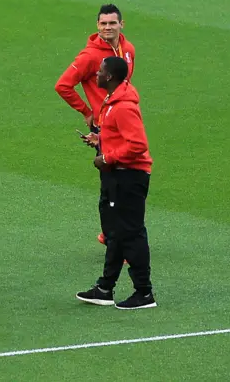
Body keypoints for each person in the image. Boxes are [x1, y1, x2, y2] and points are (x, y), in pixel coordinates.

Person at [75, 57, 156, 310]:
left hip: (128, 177)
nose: (96, 75)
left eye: (99, 72)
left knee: (131, 233)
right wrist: (100, 140)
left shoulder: (122, 106)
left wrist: (107, 156)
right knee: (114, 233)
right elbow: (119, 136)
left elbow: (138, 145)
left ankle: (144, 293)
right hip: (117, 175)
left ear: (109, 77)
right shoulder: (112, 102)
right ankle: (105, 288)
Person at [55, 3, 135, 246]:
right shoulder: (90, 56)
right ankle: (112, 237)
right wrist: (87, 112)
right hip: (105, 128)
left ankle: (110, 233)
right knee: (113, 185)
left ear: (122, 24)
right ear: (97, 26)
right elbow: (63, 85)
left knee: (125, 181)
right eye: (103, 23)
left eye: (112, 23)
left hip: (124, 122)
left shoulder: (127, 49)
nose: (107, 27)